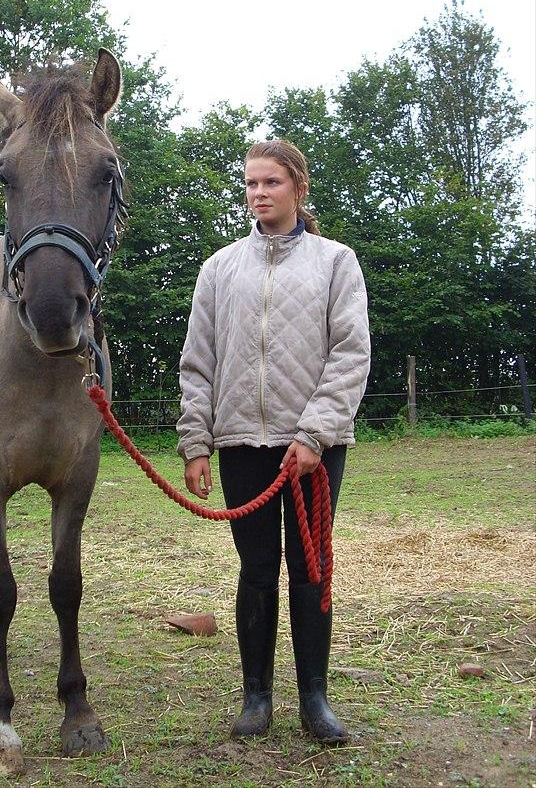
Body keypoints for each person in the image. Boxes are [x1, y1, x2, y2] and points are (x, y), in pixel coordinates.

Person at [176, 139, 370, 744]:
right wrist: (196, 441)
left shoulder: (336, 262)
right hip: (239, 442)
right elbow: (198, 362)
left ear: (299, 188)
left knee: (310, 568)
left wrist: (314, 433)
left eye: (271, 183)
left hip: (313, 447)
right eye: (251, 185)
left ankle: (315, 697)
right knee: (257, 568)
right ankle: (256, 696)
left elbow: (350, 354)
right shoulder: (220, 268)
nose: (259, 194)